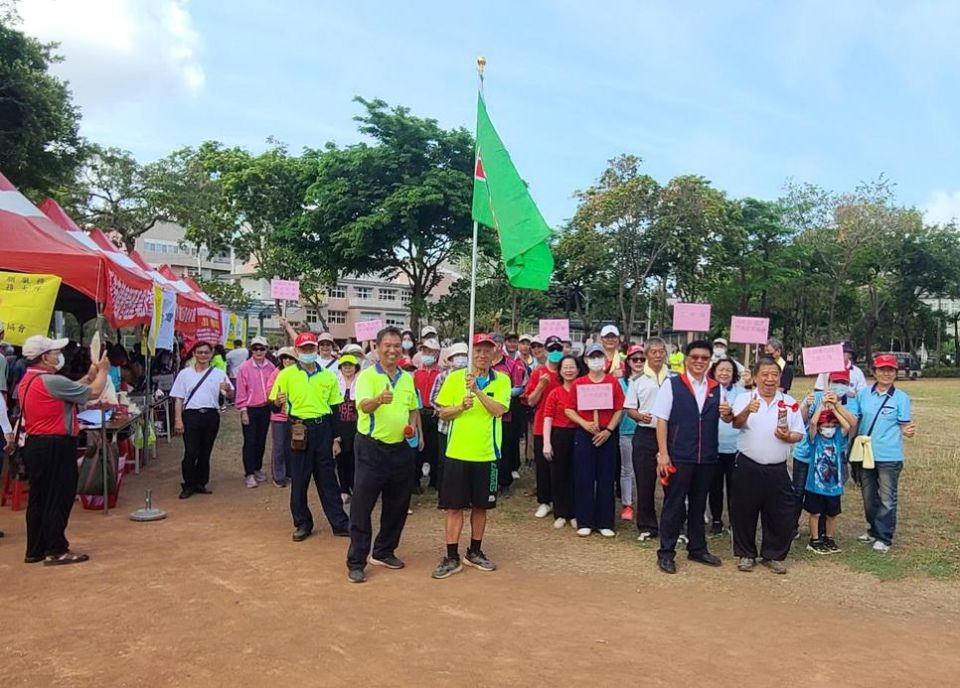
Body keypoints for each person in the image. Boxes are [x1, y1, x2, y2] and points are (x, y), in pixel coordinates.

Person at [18, 335, 109, 565]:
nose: (58, 356)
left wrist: (89, 376)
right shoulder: (51, 381)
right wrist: (103, 372)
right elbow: (94, 393)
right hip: (56, 444)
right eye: (54, 352)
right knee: (58, 497)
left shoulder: (28, 381)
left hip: (36, 444)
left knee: (39, 497)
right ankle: (57, 549)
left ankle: (36, 549)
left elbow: (71, 389)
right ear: (44, 357)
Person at [432, 333, 510, 579]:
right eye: (478, 350)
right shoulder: (455, 379)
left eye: (487, 351)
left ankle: (474, 551)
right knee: (454, 507)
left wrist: (477, 392)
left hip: (487, 454)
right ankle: (451, 556)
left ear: (495, 354)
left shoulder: (502, 381)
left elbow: (499, 411)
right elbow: (443, 413)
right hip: (457, 452)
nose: (482, 355)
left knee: (481, 506)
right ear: (471, 353)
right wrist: (459, 407)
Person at [346, 327, 421, 584]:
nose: (392, 350)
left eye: (397, 345)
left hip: (401, 449)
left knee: (398, 504)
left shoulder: (407, 378)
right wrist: (378, 399)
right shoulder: (367, 377)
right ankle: (357, 561)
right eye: (387, 345)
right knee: (362, 505)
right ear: (377, 348)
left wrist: (414, 431)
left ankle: (384, 551)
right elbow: (363, 407)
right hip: (371, 448)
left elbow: (413, 408)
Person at [727, 356, 805, 574]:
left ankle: (774, 555)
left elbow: (799, 433)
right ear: (755, 377)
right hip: (747, 465)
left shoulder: (789, 403)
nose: (769, 380)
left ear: (780, 377)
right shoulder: (745, 398)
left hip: (777, 468)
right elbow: (736, 423)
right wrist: (747, 411)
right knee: (744, 510)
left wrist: (788, 436)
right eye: (765, 375)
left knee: (780, 513)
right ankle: (745, 553)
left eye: (774, 375)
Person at [269, 332, 349, 541]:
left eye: (311, 349)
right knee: (300, 478)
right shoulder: (286, 375)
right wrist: (277, 401)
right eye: (304, 349)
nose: (308, 352)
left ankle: (339, 523)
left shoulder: (328, 377)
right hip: (298, 429)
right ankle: (303, 522)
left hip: (323, 429)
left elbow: (335, 409)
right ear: (297, 352)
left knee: (328, 478)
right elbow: (273, 404)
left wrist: (336, 439)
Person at [650, 340, 722, 573]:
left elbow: (727, 418)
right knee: (674, 505)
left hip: (707, 456)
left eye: (704, 358)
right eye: (695, 357)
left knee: (699, 505)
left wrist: (730, 414)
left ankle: (697, 548)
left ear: (709, 361)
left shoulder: (716, 387)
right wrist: (663, 454)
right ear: (687, 359)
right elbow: (661, 420)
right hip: (679, 454)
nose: (699, 361)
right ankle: (666, 552)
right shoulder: (673, 385)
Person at [852, 353, 916, 552]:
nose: (886, 374)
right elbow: (854, 420)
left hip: (889, 456)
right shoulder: (863, 395)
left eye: (890, 370)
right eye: (882, 369)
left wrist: (907, 431)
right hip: (865, 454)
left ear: (896, 373)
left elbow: (905, 425)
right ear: (874, 372)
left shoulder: (901, 398)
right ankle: (873, 529)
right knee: (869, 497)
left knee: (888, 498)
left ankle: (885, 537)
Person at [564, 343, 624, 538]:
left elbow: (619, 409)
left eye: (599, 356)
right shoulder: (579, 383)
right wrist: (584, 423)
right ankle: (585, 520)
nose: (596, 360)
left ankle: (605, 521)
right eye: (592, 357)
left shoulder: (612, 383)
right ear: (586, 360)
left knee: (606, 478)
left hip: (607, 434)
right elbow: (569, 409)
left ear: (604, 359)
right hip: (585, 434)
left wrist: (608, 430)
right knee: (584, 477)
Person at [792, 370, 859, 539]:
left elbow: (852, 423)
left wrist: (836, 406)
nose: (839, 386)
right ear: (828, 381)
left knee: (825, 493)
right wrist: (807, 405)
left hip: (832, 458)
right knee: (798, 493)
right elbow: (800, 421)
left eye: (844, 383)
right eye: (836, 382)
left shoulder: (851, 400)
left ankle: (821, 531)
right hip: (806, 455)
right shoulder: (815, 397)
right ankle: (791, 527)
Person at [172, 341, 234, 499]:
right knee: (191, 451)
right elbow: (178, 398)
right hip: (191, 415)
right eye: (199, 352)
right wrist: (178, 420)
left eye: (206, 352)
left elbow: (230, 395)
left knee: (205, 452)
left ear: (211, 354)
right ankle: (188, 484)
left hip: (211, 415)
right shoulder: (185, 374)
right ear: (194, 354)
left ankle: (201, 482)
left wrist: (227, 390)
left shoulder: (218, 373)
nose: (203, 355)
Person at [624, 337, 671, 541]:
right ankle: (647, 525)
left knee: (671, 482)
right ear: (647, 355)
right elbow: (630, 408)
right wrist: (638, 415)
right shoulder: (637, 380)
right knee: (645, 482)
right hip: (645, 434)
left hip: (670, 435)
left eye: (661, 351)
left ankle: (672, 523)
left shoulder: (674, 378)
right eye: (654, 352)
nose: (658, 355)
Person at [524, 335, 563, 519]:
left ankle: (561, 502)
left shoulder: (568, 372)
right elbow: (530, 401)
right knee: (543, 466)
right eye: (552, 349)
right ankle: (544, 501)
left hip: (563, 425)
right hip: (541, 425)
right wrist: (541, 385)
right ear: (546, 351)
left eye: (558, 349)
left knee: (561, 465)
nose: (555, 353)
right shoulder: (538, 372)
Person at [541, 355, 582, 529]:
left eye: (572, 367)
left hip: (579, 434)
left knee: (576, 474)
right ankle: (560, 512)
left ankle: (574, 513)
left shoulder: (583, 390)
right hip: (559, 435)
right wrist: (547, 443)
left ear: (578, 369)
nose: (569, 370)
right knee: (558, 474)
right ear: (560, 371)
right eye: (565, 367)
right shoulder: (555, 392)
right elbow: (547, 418)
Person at [804, 407, 851, 554]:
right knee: (815, 513)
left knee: (832, 514)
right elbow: (812, 423)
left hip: (834, 486)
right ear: (819, 428)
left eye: (832, 426)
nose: (829, 429)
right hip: (816, 486)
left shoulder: (837, 439)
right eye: (825, 426)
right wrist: (822, 406)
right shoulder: (814, 439)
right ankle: (814, 539)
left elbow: (847, 426)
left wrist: (834, 410)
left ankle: (829, 538)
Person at [708, 358, 745, 535]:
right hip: (713, 447)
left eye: (728, 370)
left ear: (733, 374)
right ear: (714, 371)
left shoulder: (741, 392)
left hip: (735, 447)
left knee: (735, 487)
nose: (724, 373)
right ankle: (716, 519)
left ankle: (734, 520)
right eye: (721, 370)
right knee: (714, 487)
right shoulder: (708, 391)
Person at [234, 336, 276, 488]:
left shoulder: (271, 367)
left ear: (266, 350)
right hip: (250, 409)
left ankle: (257, 468)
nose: (258, 351)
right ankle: (249, 473)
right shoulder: (244, 368)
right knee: (250, 441)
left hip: (265, 408)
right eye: (255, 348)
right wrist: (243, 410)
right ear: (251, 350)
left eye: (262, 348)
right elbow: (241, 391)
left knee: (261, 440)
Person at [429, 342, 469, 487]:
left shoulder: (471, 377)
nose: (460, 359)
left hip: (465, 426)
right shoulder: (442, 377)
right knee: (444, 460)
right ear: (451, 359)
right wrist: (449, 410)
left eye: (463, 356)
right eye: (457, 356)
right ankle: (443, 490)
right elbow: (433, 398)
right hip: (445, 426)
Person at [490, 341, 525, 497]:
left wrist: (501, 393)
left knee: (504, 450)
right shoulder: (482, 363)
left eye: (496, 344)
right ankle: (490, 482)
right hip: (485, 415)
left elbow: (518, 387)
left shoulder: (511, 365)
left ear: (500, 345)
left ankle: (504, 483)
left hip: (505, 416)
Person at [617, 345, 644, 521]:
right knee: (627, 469)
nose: (639, 362)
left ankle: (644, 504)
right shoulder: (620, 383)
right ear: (628, 361)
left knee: (645, 471)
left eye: (642, 359)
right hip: (625, 431)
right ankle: (628, 504)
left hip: (646, 431)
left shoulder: (652, 381)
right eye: (635, 359)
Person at [413, 338, 443, 490]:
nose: (427, 354)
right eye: (424, 351)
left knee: (435, 448)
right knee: (418, 448)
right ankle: (415, 480)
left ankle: (435, 479)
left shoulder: (442, 373)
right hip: (419, 414)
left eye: (430, 351)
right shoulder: (416, 373)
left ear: (437, 353)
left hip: (435, 414)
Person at [267, 347, 297, 487]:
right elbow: (269, 393)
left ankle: (290, 472)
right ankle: (278, 476)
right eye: (284, 358)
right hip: (279, 416)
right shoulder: (276, 374)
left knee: (292, 445)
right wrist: (278, 400)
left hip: (294, 416)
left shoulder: (299, 374)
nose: (287, 360)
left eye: (290, 358)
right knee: (279, 446)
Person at [335, 353, 361, 504]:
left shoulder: (361, 381)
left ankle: (354, 486)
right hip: (340, 424)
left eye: (350, 365)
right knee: (341, 458)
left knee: (354, 458)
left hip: (356, 426)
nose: (347, 368)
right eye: (345, 365)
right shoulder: (335, 381)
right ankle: (344, 488)